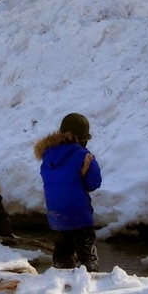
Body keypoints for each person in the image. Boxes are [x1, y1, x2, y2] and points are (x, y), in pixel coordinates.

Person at [34, 112, 102, 271]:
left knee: (63, 249)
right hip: (78, 211)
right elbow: (94, 183)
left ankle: (59, 274)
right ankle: (90, 276)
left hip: (56, 213)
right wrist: (83, 175)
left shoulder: (47, 156)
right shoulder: (84, 156)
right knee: (86, 251)